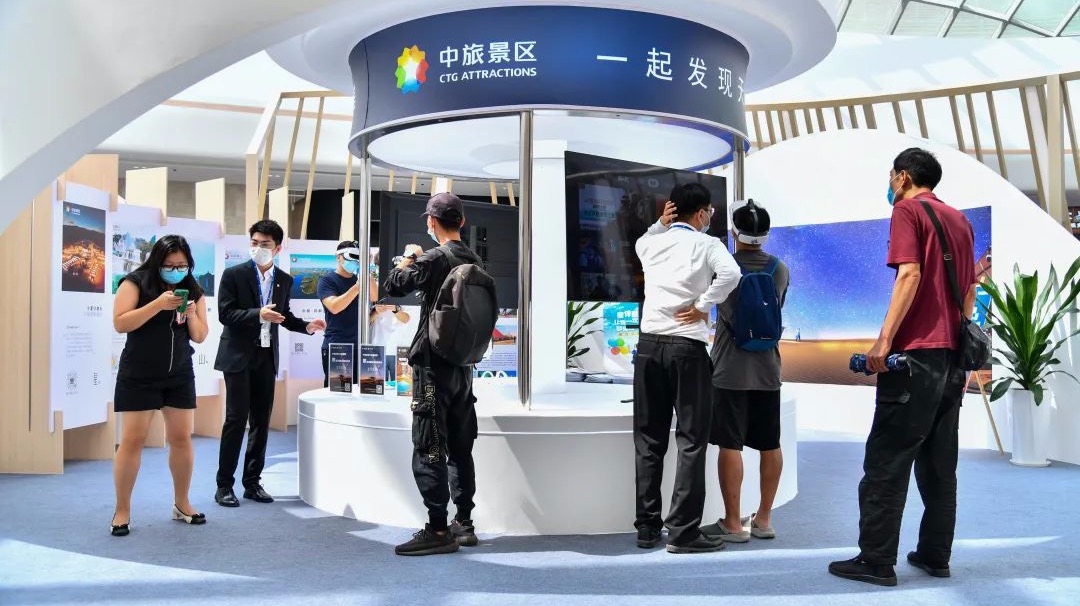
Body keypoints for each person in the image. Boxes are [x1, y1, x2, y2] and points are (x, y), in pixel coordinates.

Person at [829, 148, 977, 586]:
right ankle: (935, 555)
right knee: (939, 464)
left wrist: (884, 340)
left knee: (886, 460)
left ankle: (876, 560)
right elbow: (969, 291)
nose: (890, 182)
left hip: (915, 357)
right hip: (952, 357)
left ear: (904, 177)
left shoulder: (907, 211)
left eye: (892, 174)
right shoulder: (960, 220)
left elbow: (909, 274)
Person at [633, 183, 742, 554]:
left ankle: (647, 528)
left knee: (648, 440)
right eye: (710, 211)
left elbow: (644, 239)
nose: (711, 217)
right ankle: (682, 532)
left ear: (671, 211)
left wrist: (659, 224)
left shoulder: (648, 244)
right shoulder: (708, 244)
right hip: (688, 348)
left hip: (649, 347)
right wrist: (702, 305)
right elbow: (731, 275)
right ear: (701, 213)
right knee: (692, 441)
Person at [384, 192, 483, 556]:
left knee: (430, 443)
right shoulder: (475, 259)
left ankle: (438, 529)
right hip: (464, 366)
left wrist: (409, 257)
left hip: (432, 367)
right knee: (460, 446)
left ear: (431, 222)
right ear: (462, 221)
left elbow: (394, 284)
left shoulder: (434, 257)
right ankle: (464, 522)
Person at [214, 220, 326, 507]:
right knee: (236, 419)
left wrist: (306, 326)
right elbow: (225, 314)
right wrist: (258, 314)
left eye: (265, 244)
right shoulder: (234, 274)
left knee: (261, 421)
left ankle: (252, 483)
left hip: (266, 357)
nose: (258, 248)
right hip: (237, 356)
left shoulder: (283, 280)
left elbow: (283, 315)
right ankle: (224, 485)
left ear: (278, 248)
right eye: (254, 243)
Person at [699, 201, 789, 545]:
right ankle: (764, 519)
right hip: (768, 368)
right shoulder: (780, 269)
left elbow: (719, 311)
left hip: (729, 368)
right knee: (770, 442)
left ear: (734, 232)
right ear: (765, 233)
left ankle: (733, 524)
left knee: (730, 443)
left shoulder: (724, 268)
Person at [110, 235, 210, 536]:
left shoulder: (193, 288)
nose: (176, 270)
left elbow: (200, 336)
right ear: (157, 261)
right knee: (132, 440)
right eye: (170, 265)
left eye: (182, 265)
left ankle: (182, 503)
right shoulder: (135, 282)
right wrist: (157, 305)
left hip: (179, 373)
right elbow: (121, 323)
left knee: (181, 438)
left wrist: (190, 314)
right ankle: (122, 510)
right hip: (138, 374)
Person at [317, 241, 362, 387]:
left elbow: (374, 298)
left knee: (361, 393)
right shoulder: (327, 281)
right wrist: (357, 288)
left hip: (360, 346)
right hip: (337, 345)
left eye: (358, 258)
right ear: (338, 257)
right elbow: (334, 307)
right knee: (338, 392)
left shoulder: (360, 280)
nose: (354, 261)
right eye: (351, 257)